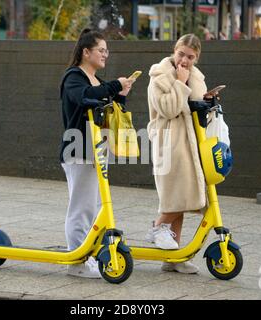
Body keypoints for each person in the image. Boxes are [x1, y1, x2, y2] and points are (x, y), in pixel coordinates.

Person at [59, 29, 133, 278]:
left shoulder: (99, 83)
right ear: (86, 52)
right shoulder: (74, 77)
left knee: (96, 207)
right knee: (82, 208)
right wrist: (114, 85)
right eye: (101, 50)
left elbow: (109, 111)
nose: (105, 55)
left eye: (106, 51)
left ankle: (87, 256)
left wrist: (120, 96)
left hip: (98, 151)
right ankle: (76, 262)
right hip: (78, 149)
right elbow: (83, 97)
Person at [145, 34, 212, 274]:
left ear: (197, 57)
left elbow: (196, 112)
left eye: (190, 57)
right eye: (181, 53)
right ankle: (157, 228)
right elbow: (169, 109)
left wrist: (208, 104)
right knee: (177, 197)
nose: (184, 60)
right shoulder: (159, 77)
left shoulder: (197, 77)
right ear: (174, 50)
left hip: (190, 144)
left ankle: (173, 256)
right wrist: (180, 84)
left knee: (180, 202)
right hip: (169, 142)